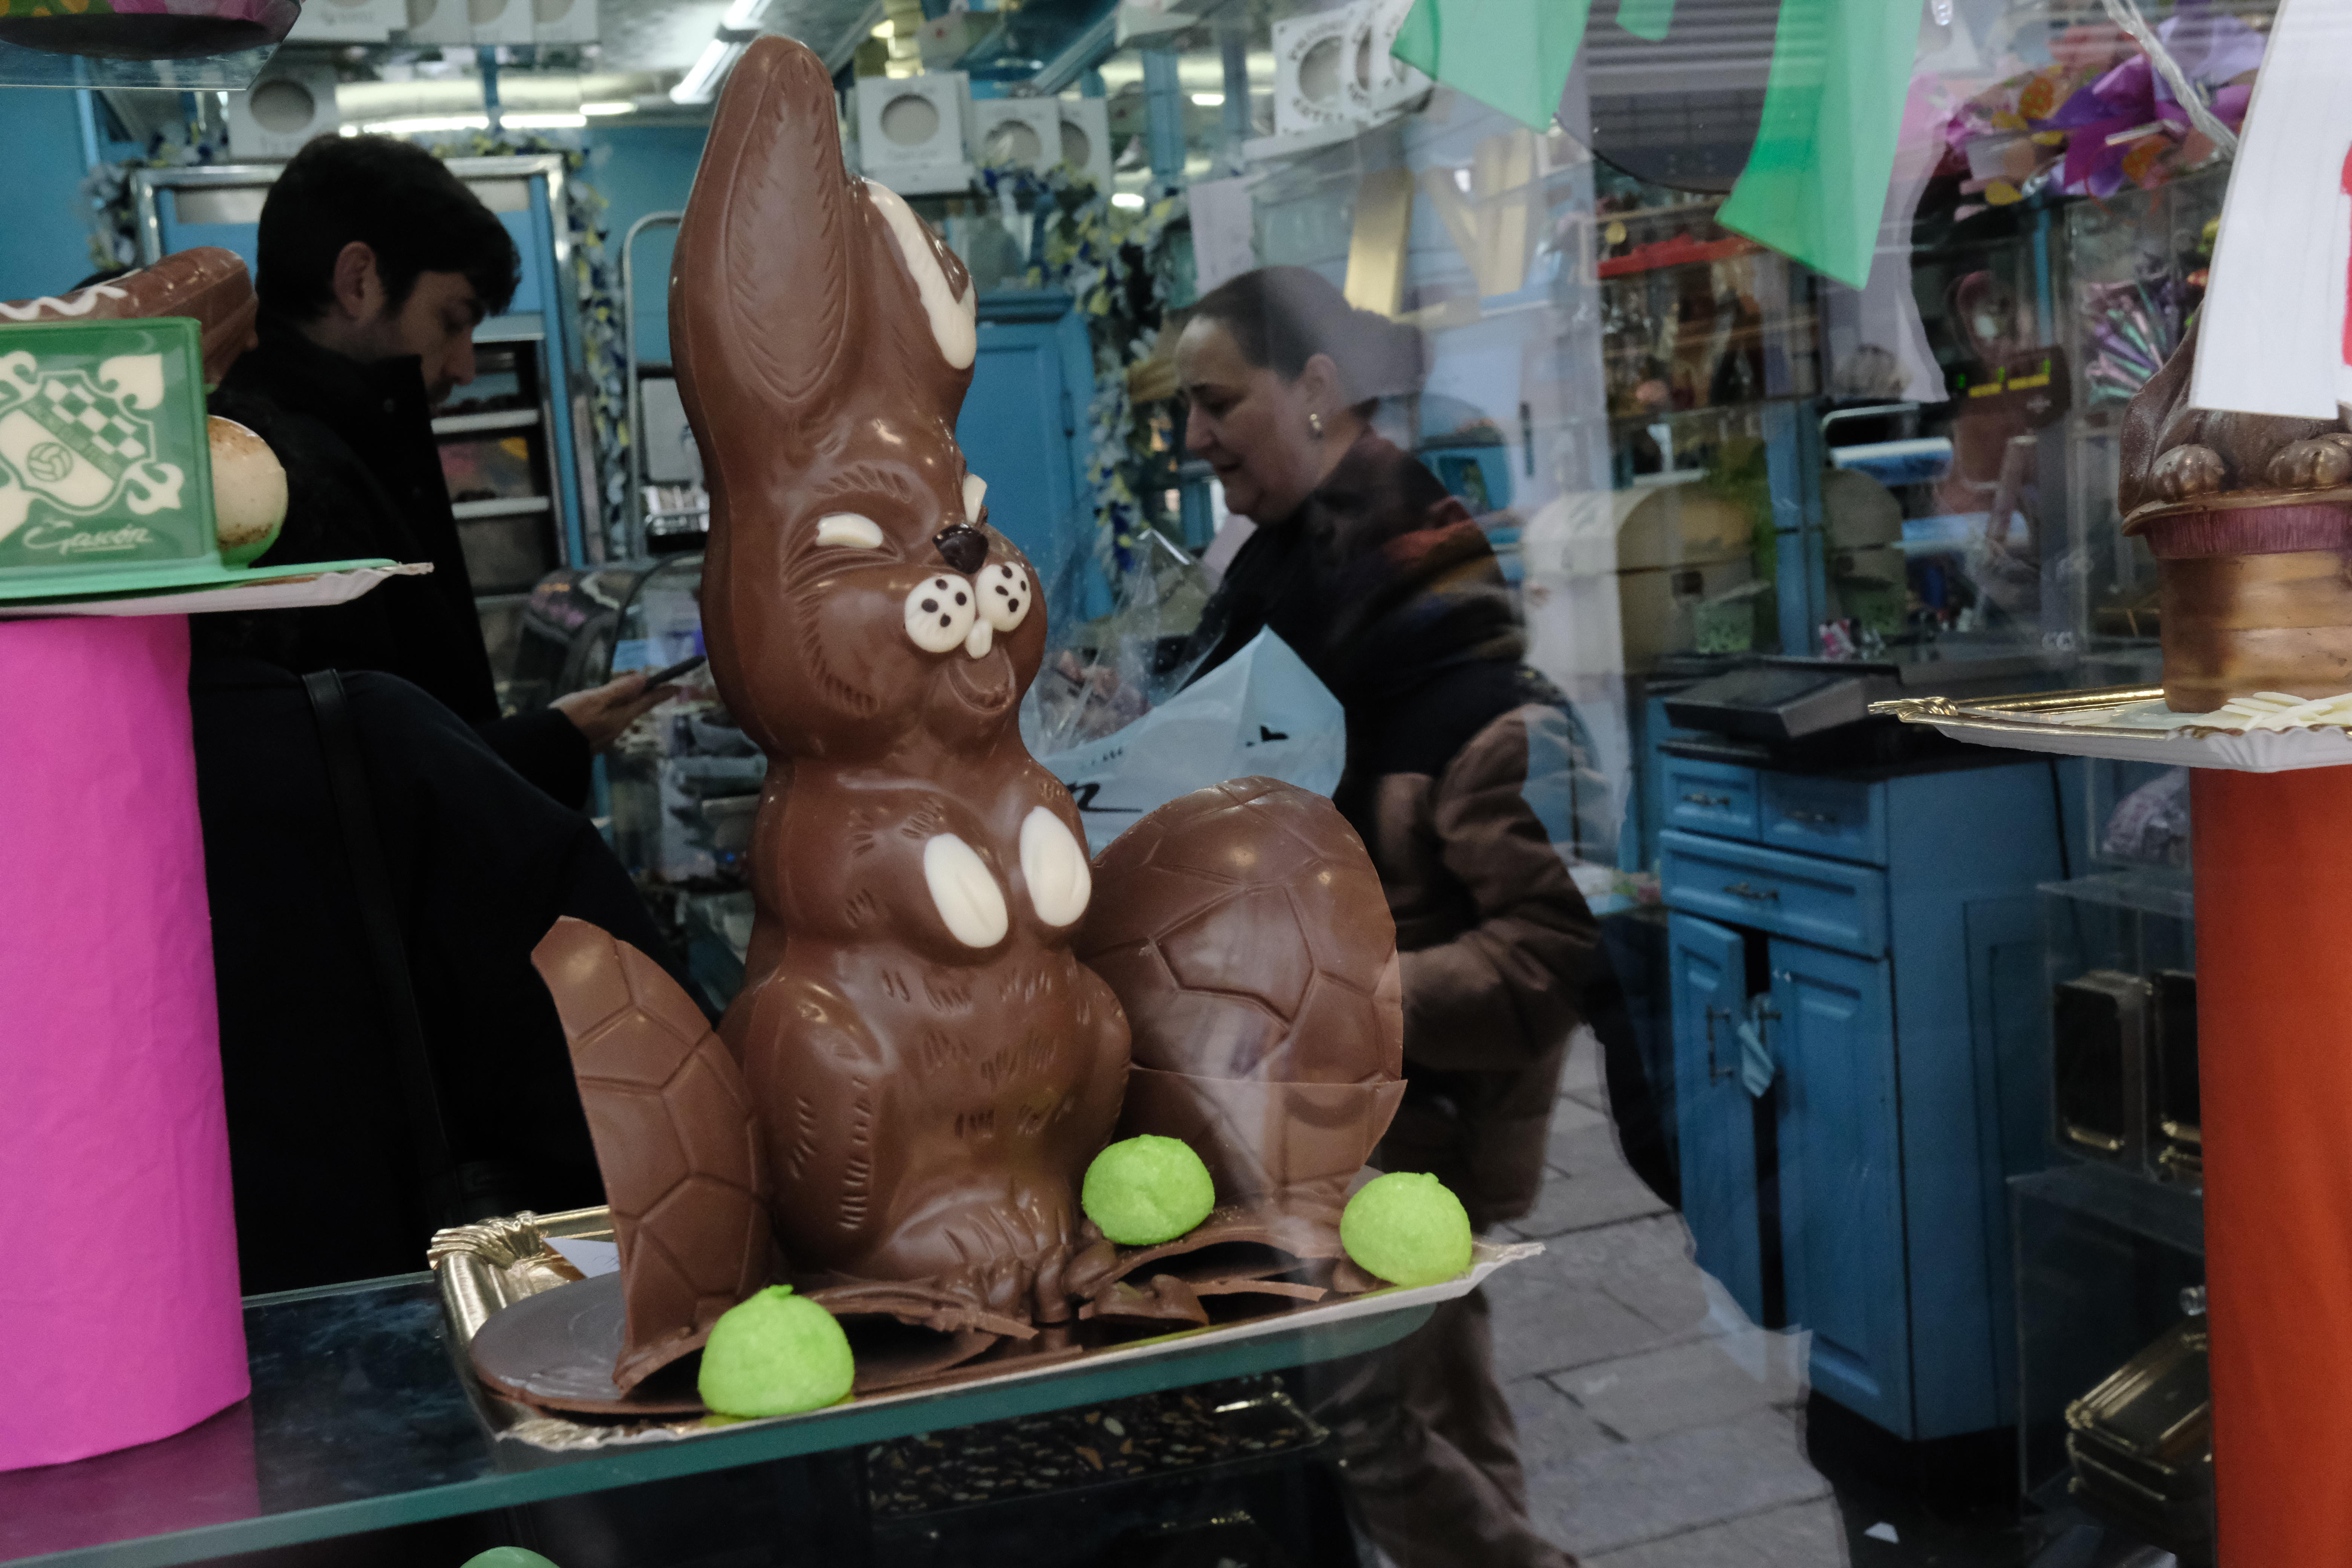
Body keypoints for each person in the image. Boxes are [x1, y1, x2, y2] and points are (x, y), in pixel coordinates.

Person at [1174, 266, 1665, 1568]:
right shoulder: (1288, 598)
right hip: (1333, 1108)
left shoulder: (1462, 686)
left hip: (1409, 1112)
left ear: (1319, 391)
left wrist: (1341, 999)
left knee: (1354, 1414)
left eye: (1217, 401)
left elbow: (1551, 954)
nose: (1192, 439)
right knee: (1440, 1385)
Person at [208, 135, 670, 808]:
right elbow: (359, 773)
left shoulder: (340, 437)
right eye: (452, 322)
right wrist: (551, 740)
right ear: (359, 280)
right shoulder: (282, 474)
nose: (464, 367)